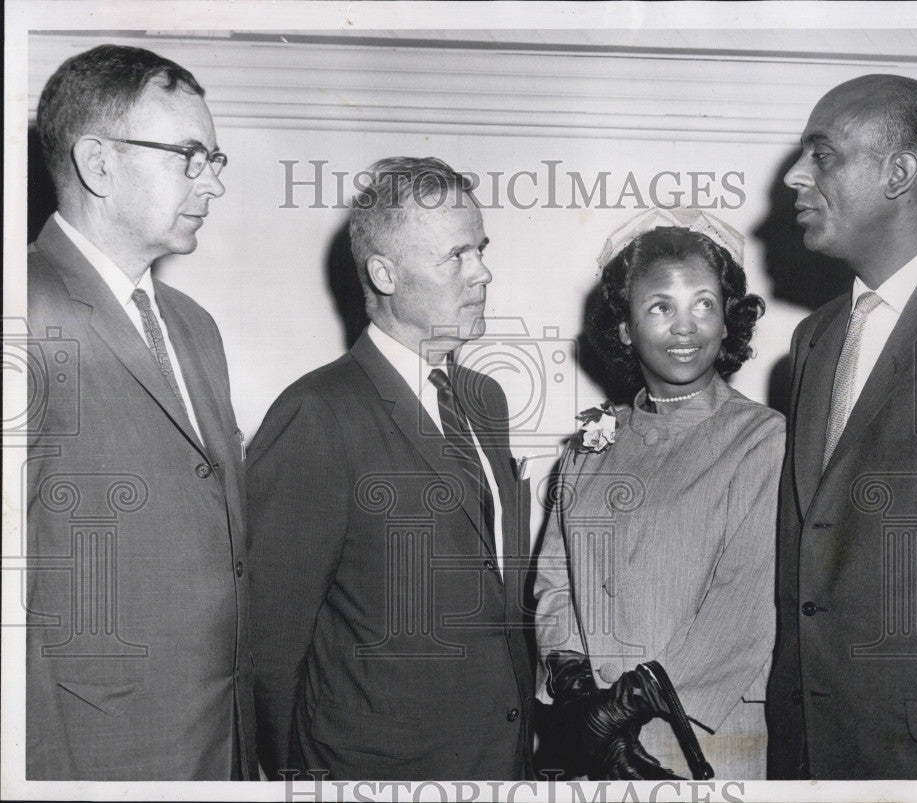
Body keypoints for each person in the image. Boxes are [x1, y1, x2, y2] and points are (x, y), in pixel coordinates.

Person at [248, 157, 534, 780]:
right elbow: (269, 643)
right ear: (384, 273)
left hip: (501, 764)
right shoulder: (315, 413)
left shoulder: (486, 400)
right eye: (455, 256)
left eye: (480, 249)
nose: (483, 272)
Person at [26, 45, 255, 779]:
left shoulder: (195, 325)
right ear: (98, 162)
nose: (211, 184)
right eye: (189, 156)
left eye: (215, 159)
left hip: (220, 743)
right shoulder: (20, 307)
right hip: (95, 756)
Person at [766, 74, 917, 779]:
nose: (796, 177)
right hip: (807, 750)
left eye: (821, 155)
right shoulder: (814, 339)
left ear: (899, 173)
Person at [534, 210, 784, 780]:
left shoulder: (763, 438)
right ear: (624, 327)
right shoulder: (589, 445)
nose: (685, 327)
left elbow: (747, 601)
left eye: (704, 303)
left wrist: (629, 706)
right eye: (659, 307)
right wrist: (576, 692)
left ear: (728, 322)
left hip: (700, 733)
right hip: (588, 738)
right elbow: (555, 578)